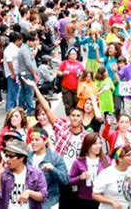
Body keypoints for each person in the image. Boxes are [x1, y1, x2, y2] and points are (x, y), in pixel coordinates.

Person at [22, 77, 87, 208]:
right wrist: (35, 87)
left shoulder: (86, 137)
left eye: (78, 116)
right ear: (69, 116)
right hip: (59, 176)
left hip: (78, 179)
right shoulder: (62, 129)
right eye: (73, 115)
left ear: (82, 118)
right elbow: (46, 108)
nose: (74, 118)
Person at [0, 140, 48, 209]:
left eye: (11, 156)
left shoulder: (36, 173)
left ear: (22, 158)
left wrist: (29, 193)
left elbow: (43, 196)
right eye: (6, 155)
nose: (7, 159)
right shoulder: (3, 172)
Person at [27, 127, 69, 209]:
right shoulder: (27, 157)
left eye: (37, 140)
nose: (33, 142)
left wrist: (53, 169)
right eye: (32, 140)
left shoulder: (56, 158)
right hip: (29, 202)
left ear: (45, 140)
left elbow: (65, 180)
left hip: (49, 202)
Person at [92, 145, 131, 209]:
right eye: (128, 155)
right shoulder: (106, 174)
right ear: (120, 158)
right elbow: (95, 195)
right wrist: (112, 202)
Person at [70, 132, 111, 208]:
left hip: (102, 198)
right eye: (95, 144)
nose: (98, 146)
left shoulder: (106, 160)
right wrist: (80, 177)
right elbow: (70, 181)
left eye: (100, 143)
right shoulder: (78, 162)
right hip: (84, 199)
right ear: (88, 145)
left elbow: (112, 175)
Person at [58, 48, 84, 115]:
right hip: (66, 87)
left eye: (75, 54)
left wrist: (81, 75)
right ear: (68, 55)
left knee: (78, 104)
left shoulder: (79, 64)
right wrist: (63, 73)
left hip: (77, 87)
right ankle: (70, 118)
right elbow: (58, 72)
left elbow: (84, 74)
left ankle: (77, 118)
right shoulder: (64, 63)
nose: (73, 55)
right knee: (68, 104)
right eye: (72, 54)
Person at [17, 31, 39, 116]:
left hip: (23, 73)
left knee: (23, 91)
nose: (34, 43)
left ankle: (21, 107)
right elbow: (29, 63)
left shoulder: (24, 49)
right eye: (33, 41)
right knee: (29, 92)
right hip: (27, 73)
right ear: (28, 41)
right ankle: (31, 109)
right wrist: (34, 73)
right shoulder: (25, 50)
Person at [4, 32, 23, 111]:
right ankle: (10, 107)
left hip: (16, 71)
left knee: (15, 89)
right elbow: (9, 61)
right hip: (12, 72)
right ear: (17, 40)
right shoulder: (10, 49)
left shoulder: (15, 48)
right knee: (12, 90)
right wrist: (12, 73)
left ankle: (13, 105)